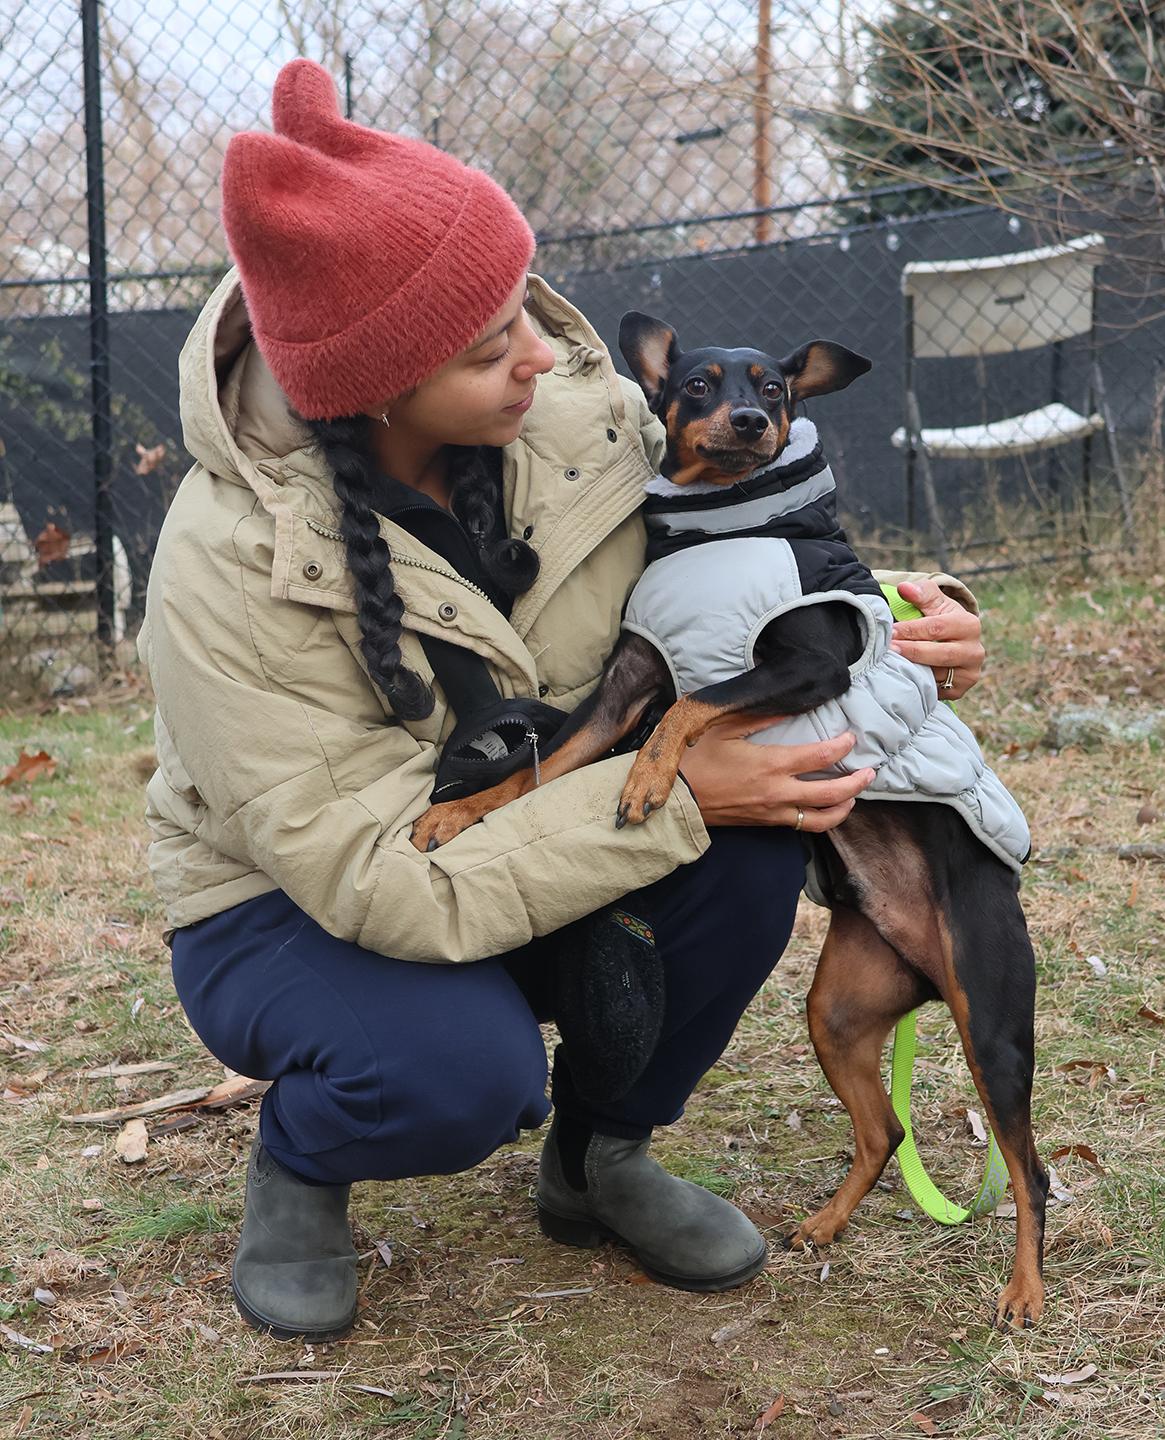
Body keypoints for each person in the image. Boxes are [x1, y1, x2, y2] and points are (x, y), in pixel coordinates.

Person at [138, 58, 986, 1343]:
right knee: (451, 1071)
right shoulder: (223, 565)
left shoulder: (576, 417)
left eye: (525, 310)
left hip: (542, 813)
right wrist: (674, 795)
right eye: (494, 345)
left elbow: (716, 556)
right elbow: (379, 879)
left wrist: (878, 622)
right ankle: (305, 1158)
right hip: (302, 898)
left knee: (758, 843)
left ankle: (601, 1154)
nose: (548, 353)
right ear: (379, 382)